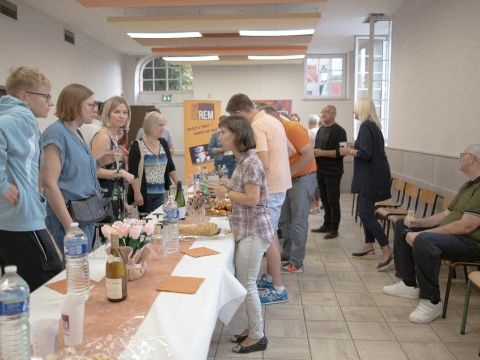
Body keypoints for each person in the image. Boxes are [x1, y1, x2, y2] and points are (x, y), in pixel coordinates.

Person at [383, 144, 480, 323]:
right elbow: (446, 215)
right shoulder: (468, 185)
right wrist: (418, 223)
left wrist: (424, 234)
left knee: (425, 241)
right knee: (401, 226)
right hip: (453, 236)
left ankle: (431, 301)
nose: (459, 157)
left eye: (463, 154)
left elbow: (467, 226)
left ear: (473, 158)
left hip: (471, 243)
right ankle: (409, 283)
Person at [209, 115, 271, 354]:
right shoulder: (243, 161)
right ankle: (252, 328)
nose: (220, 136)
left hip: (254, 231)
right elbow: (243, 191)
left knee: (248, 285)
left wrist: (225, 192)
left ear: (237, 135)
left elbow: (252, 199)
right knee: (246, 283)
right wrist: (228, 187)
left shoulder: (250, 163)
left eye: (224, 132)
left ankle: (257, 336)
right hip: (247, 229)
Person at [0, 66, 62, 291]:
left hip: (11, 219)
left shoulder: (10, 115)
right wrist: (2, 185)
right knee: (52, 284)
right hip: (21, 219)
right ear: (24, 96)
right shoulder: (20, 117)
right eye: (46, 96)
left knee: (20, 292)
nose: (50, 102)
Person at [226, 93, 291, 305]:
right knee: (270, 236)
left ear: (238, 113)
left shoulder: (257, 125)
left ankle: (278, 287)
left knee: (268, 237)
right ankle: (272, 278)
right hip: (278, 185)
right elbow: (289, 151)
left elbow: (262, 162)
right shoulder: (273, 120)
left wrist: (243, 186)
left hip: (270, 188)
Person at [41, 84, 106, 254]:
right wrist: (69, 226)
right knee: (74, 271)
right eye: (90, 105)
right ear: (74, 105)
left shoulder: (77, 132)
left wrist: (100, 162)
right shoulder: (56, 134)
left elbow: (76, 173)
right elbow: (48, 183)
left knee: (86, 266)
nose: (95, 110)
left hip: (85, 213)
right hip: (69, 215)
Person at [261, 106, 317, 273]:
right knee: (284, 219)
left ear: (276, 117)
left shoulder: (293, 128)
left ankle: (297, 262)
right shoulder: (275, 130)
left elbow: (309, 155)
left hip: (303, 179)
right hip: (288, 180)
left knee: (298, 221)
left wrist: (288, 173)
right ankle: (286, 253)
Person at [340, 98, 393, 268]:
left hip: (370, 178)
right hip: (376, 175)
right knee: (367, 211)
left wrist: (349, 151)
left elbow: (366, 154)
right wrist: (354, 149)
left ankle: (386, 248)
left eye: (356, 110)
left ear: (362, 110)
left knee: (365, 213)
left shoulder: (365, 126)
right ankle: (369, 246)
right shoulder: (373, 126)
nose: (354, 113)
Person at [91, 96, 134, 220]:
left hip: (116, 196)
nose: (122, 116)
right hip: (105, 198)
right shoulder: (103, 137)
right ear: (108, 114)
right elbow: (94, 170)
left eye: (125, 112)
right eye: (117, 112)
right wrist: (121, 173)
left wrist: (124, 202)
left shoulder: (114, 137)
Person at [128, 111, 178, 213]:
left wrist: (179, 184)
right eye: (160, 125)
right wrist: (137, 193)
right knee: (148, 226)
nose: (163, 128)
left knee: (161, 222)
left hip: (162, 193)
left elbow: (171, 166)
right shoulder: (137, 145)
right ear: (151, 126)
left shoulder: (163, 143)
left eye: (164, 125)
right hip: (145, 194)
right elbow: (133, 173)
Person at [311, 105, 347, 239]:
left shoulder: (340, 131)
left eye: (326, 112)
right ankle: (326, 224)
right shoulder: (320, 129)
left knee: (333, 200)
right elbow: (317, 148)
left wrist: (321, 153)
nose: (323, 114)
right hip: (320, 170)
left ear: (334, 114)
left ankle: (334, 228)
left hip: (333, 172)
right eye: (322, 112)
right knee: (324, 200)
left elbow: (342, 152)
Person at [307, 114, 321, 214]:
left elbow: (307, 147)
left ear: (310, 122)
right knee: (317, 185)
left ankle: (312, 206)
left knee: (312, 184)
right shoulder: (320, 131)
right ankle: (317, 205)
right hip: (320, 160)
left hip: (311, 160)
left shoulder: (310, 132)